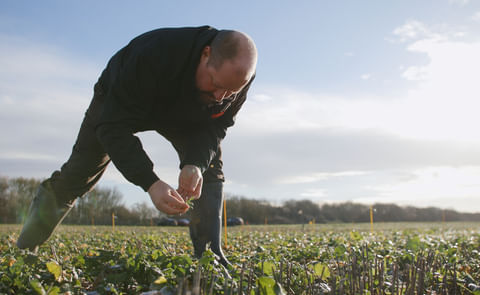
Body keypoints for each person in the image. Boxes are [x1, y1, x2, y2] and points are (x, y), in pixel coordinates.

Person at [16, 26, 257, 267]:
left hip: (187, 108)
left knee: (209, 167)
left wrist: (195, 163)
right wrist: (150, 182)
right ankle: (27, 246)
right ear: (205, 54)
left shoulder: (237, 79)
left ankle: (208, 257)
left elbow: (216, 126)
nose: (219, 96)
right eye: (215, 83)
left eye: (230, 92)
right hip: (119, 101)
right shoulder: (152, 54)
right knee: (79, 173)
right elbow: (112, 127)